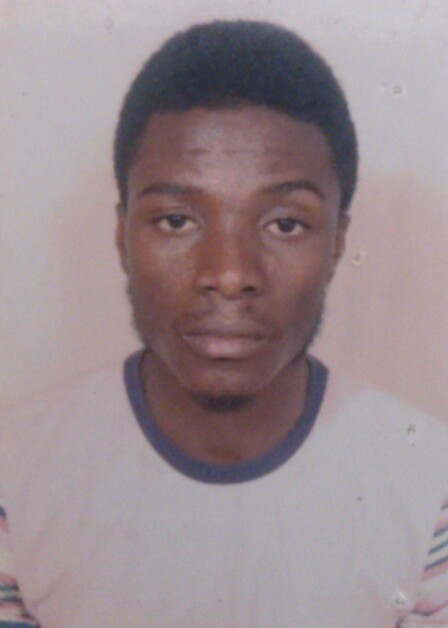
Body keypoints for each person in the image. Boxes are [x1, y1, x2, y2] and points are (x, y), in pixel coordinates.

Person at [0, 20, 447, 628]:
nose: (230, 274)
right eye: (177, 221)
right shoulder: (15, 478)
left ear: (338, 241)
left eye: (285, 224)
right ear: (122, 234)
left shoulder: (430, 489)